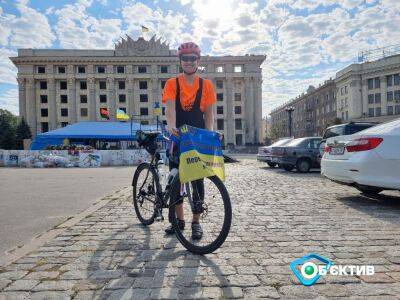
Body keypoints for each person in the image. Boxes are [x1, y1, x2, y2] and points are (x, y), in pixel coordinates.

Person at [161, 42, 216, 240]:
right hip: (178, 136)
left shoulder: (206, 85)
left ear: (198, 61)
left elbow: (209, 114)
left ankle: (196, 222)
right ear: (180, 61)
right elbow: (171, 108)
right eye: (185, 58)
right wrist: (171, 126)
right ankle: (179, 221)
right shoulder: (172, 83)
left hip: (197, 137)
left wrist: (209, 135)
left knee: (197, 180)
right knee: (176, 179)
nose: (189, 61)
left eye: (193, 58)